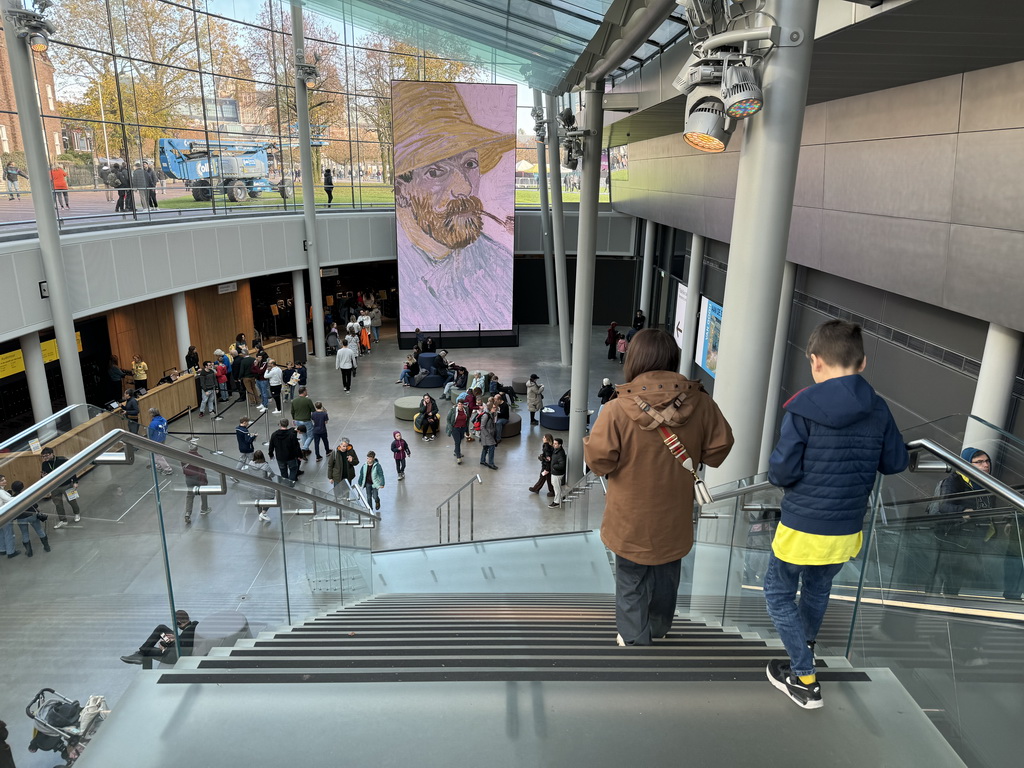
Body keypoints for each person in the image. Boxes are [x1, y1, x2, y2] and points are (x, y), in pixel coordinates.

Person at [763, 320, 908, 709]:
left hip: (802, 526)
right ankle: (804, 652)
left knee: (777, 592)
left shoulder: (803, 408)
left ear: (815, 362)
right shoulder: (878, 408)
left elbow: (781, 471)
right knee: (817, 588)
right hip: (846, 529)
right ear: (862, 363)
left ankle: (804, 676)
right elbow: (895, 461)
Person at [584, 328, 735, 649]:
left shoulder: (615, 410)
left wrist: (591, 441)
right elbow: (720, 449)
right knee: (667, 576)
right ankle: (660, 628)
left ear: (634, 359)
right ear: (672, 360)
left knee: (630, 579)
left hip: (629, 519)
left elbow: (599, 462)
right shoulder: (703, 404)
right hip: (675, 517)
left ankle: (636, 642)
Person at [393, 82, 516, 332]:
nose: (464, 188)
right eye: (436, 171)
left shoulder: (499, 264)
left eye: (470, 164)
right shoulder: (405, 277)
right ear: (401, 191)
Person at [931, 447, 994, 597]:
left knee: (961, 576)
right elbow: (944, 505)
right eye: (978, 462)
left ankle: (951, 601)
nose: (985, 465)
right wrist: (964, 511)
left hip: (975, 538)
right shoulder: (954, 481)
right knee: (952, 576)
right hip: (955, 538)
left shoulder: (986, 483)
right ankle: (946, 604)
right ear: (966, 464)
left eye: (987, 461)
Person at [120, 610, 198, 665]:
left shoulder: (189, 630)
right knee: (161, 629)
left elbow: (183, 643)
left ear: (178, 622)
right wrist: (173, 640)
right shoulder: (193, 625)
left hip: (173, 656)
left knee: (147, 651)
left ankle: (140, 654)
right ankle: (140, 654)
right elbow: (184, 641)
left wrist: (167, 647)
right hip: (175, 648)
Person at [41, 447, 82, 528]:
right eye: (43, 456)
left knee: (72, 500)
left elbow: (71, 470)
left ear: (52, 454)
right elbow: (43, 475)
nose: (45, 458)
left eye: (46, 455)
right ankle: (63, 520)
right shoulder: (44, 464)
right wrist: (43, 477)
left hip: (66, 484)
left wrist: (75, 481)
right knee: (58, 504)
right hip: (54, 487)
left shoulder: (62, 460)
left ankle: (77, 513)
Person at [11, 480, 50, 557]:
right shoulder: (26, 494)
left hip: (21, 518)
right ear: (22, 487)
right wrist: (40, 512)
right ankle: (47, 547)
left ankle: (29, 552)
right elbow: (35, 505)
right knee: (39, 530)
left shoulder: (12, 498)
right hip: (32, 515)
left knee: (25, 534)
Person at [182, 439, 213, 524]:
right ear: (197, 448)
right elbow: (201, 470)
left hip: (188, 478)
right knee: (203, 492)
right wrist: (204, 480)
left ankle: (188, 513)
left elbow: (183, 468)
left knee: (189, 496)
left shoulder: (184, 456)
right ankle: (204, 509)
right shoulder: (199, 457)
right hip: (198, 477)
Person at [268, 419, 301, 485]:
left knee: (283, 471)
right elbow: (296, 447)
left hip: (280, 457)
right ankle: (291, 484)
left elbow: (271, 446)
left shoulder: (274, 435)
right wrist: (299, 455)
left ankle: (285, 484)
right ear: (287, 424)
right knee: (293, 470)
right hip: (291, 457)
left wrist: (271, 454)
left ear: (280, 424)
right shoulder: (291, 435)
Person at [146, 407, 174, 475]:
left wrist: (148, 439)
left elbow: (150, 433)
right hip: (162, 438)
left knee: (158, 455)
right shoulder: (163, 419)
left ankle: (167, 469)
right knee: (157, 454)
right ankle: (159, 466)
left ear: (152, 414)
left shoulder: (153, 423)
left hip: (155, 440)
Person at [290, 386, 315, 455]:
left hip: (297, 420)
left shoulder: (294, 401)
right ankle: (304, 448)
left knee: (304, 435)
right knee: (311, 435)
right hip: (306, 420)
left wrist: (294, 419)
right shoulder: (308, 400)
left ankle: (306, 450)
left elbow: (292, 411)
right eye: (306, 391)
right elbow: (313, 410)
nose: (307, 392)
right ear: (304, 392)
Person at [0, 475, 20, 558]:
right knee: (8, 533)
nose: (5, 481)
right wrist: (19, 496)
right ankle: (11, 551)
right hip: (4, 515)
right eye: (2, 480)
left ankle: (2, 549)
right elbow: (9, 500)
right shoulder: (1, 492)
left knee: (1, 533)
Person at [446, 399, 470, 465]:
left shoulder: (466, 410)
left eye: (461, 404)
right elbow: (448, 419)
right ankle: (458, 457)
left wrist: (467, 430)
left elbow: (467, 420)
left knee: (461, 439)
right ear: (457, 404)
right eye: (459, 404)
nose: (460, 406)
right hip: (455, 428)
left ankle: (456, 451)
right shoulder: (453, 411)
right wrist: (451, 427)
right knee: (457, 442)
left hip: (463, 428)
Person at [547, 438, 567, 509]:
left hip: (557, 473)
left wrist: (553, 466)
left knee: (556, 487)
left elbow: (561, 465)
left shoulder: (560, 453)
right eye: (554, 443)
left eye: (555, 444)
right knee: (555, 485)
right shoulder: (556, 451)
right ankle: (562, 496)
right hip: (555, 472)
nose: (554, 445)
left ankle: (557, 502)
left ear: (560, 445)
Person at [478, 401, 499, 470]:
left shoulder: (491, 414)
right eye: (493, 407)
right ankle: (491, 463)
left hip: (488, 434)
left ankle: (482, 460)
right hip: (487, 435)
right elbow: (482, 427)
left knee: (485, 447)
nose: (495, 408)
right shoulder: (486, 415)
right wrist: (487, 435)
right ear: (490, 408)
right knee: (492, 447)